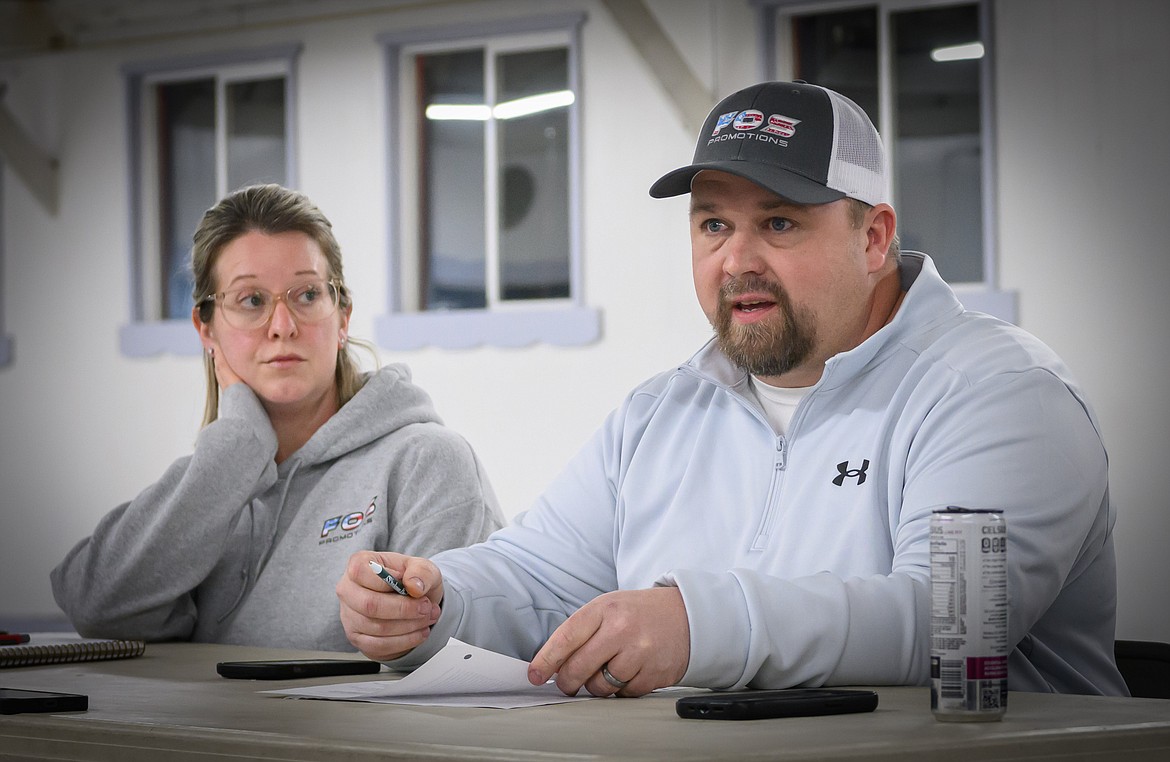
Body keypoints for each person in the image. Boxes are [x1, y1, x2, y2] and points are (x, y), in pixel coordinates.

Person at [335, 81, 1128, 697]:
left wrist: (699, 625)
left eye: (779, 223)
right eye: (713, 224)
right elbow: (543, 578)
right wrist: (437, 603)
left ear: (875, 237)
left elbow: (950, 629)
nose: (736, 258)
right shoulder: (662, 412)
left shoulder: (996, 395)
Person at [52, 183, 503, 651]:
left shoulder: (426, 463)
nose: (283, 325)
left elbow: (445, 664)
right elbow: (93, 606)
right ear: (205, 328)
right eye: (251, 300)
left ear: (343, 316)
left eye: (307, 295)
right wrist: (238, 446)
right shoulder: (212, 483)